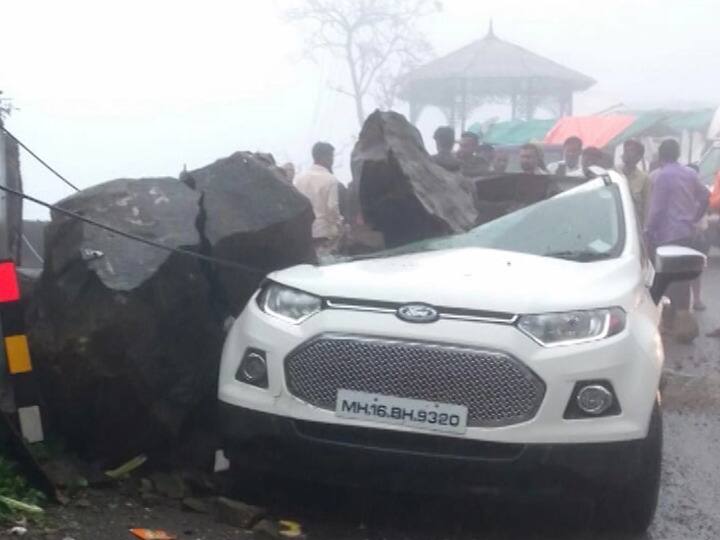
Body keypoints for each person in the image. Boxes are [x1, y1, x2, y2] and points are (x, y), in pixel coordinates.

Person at [644, 139, 709, 341]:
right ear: (678, 154)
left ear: (660, 156)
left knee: (670, 278)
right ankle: (673, 322)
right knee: (682, 277)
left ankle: (683, 324)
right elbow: (706, 195)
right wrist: (695, 217)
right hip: (688, 233)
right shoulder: (690, 173)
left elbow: (657, 208)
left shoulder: (662, 176)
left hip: (667, 234)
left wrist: (647, 231)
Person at [293, 142, 344, 253]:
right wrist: (340, 224)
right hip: (324, 232)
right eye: (331, 157)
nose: (332, 161)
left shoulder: (299, 179)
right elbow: (332, 207)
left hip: (304, 232)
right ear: (324, 157)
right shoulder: (330, 179)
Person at [619, 140, 652, 223]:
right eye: (625, 150)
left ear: (639, 157)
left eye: (631, 150)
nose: (626, 153)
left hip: (634, 224)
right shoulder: (615, 173)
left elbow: (647, 207)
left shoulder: (644, 179)